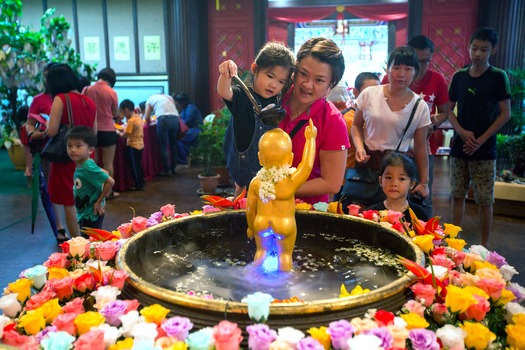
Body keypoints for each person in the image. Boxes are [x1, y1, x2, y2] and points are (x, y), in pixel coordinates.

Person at [448, 27, 511, 247]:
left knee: (485, 199)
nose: (477, 54)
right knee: (457, 194)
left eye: (483, 49)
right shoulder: (459, 76)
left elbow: (506, 113)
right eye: (474, 48)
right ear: (469, 46)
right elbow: (448, 110)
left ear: (493, 50)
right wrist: (462, 133)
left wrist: (481, 139)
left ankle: (485, 244)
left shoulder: (498, 76)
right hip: (460, 146)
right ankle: (454, 239)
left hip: (485, 149)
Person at [351, 46, 431, 207]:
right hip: (368, 165)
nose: (401, 74)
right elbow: (356, 126)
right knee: (361, 212)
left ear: (415, 72)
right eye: (396, 68)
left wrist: (424, 182)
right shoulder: (369, 94)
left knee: (391, 216)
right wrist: (360, 148)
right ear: (387, 69)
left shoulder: (419, 105)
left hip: (398, 169)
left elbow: (421, 147)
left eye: (408, 69)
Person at [382, 35, 450, 217]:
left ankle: (422, 231)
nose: (422, 66)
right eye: (417, 60)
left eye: (426, 61)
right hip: (394, 149)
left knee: (421, 193)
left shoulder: (437, 79)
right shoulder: (388, 80)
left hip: (424, 145)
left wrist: (431, 122)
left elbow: (445, 111)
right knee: (391, 190)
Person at [218, 41, 296, 197]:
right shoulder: (242, 96)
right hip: (244, 180)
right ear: (255, 69)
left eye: (281, 81)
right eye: (269, 76)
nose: (273, 84)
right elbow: (224, 91)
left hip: (269, 178)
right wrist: (225, 73)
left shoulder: (278, 100)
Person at [278, 37, 350, 204]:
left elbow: (331, 183)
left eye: (319, 80)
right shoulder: (273, 98)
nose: (307, 85)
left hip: (307, 211)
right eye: (303, 73)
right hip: (261, 202)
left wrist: (279, 189)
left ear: (331, 84)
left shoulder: (333, 121)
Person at [246, 120, 317, 272]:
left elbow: (250, 210)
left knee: (261, 252)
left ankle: (252, 280)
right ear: (290, 159)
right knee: (284, 256)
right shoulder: (290, 181)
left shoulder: (256, 182)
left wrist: (251, 228)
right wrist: (310, 139)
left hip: (261, 223)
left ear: (260, 158)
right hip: (284, 225)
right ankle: (284, 288)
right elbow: (307, 165)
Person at [45, 64, 97, 242]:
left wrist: (43, 128)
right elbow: (94, 133)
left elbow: (52, 131)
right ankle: (91, 242)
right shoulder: (88, 101)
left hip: (68, 157)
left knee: (69, 203)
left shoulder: (61, 99)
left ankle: (78, 245)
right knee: (87, 201)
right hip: (87, 156)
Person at [334, 72, 380, 203]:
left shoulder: (376, 118)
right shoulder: (344, 119)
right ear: (355, 92)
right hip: (346, 182)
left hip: (370, 182)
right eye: (368, 92)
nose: (373, 97)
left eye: (377, 93)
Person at [65, 126, 114, 233]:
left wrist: (99, 202)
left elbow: (110, 181)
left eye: (78, 146)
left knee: (92, 243)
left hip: (91, 214)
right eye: (69, 146)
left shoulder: (87, 166)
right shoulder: (82, 164)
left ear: (90, 149)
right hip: (85, 212)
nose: (73, 150)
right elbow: (104, 173)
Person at [82, 67, 120, 198]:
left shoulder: (87, 89)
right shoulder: (112, 92)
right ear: (112, 79)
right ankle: (108, 192)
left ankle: (94, 191)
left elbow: (83, 108)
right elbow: (115, 113)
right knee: (108, 162)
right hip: (108, 130)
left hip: (92, 131)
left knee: (93, 162)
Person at [368, 151, 429, 224]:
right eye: (389, 177)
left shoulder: (419, 214)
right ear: (381, 181)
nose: (394, 184)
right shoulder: (373, 213)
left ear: (412, 184)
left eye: (401, 179)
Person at [27, 62, 58, 184]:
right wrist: (33, 133)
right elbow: (30, 124)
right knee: (48, 183)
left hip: (67, 147)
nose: (47, 81)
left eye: (49, 77)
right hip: (46, 146)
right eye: (45, 77)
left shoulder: (66, 97)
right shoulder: (38, 99)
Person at [144, 93, 180, 176]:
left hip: (164, 119)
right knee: (173, 145)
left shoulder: (149, 100)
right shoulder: (168, 97)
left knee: (163, 145)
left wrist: (149, 122)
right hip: (175, 119)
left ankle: (167, 170)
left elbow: (147, 116)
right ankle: (173, 168)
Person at [117, 99, 145, 190]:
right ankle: (141, 181)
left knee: (134, 167)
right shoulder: (138, 117)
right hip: (140, 145)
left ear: (126, 110)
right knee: (138, 165)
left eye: (122, 112)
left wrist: (117, 132)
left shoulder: (131, 121)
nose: (123, 115)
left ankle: (138, 184)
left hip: (133, 146)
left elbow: (125, 135)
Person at [174, 93, 203, 167]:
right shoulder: (186, 108)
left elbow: (187, 121)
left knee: (177, 139)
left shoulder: (191, 108)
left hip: (195, 130)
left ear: (182, 102)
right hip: (190, 130)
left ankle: (182, 160)